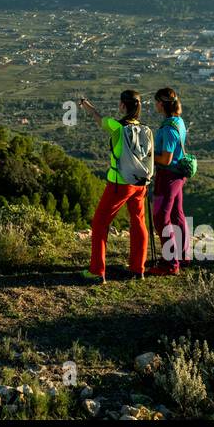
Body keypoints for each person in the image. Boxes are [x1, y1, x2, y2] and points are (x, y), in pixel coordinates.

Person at [78, 90, 153, 283]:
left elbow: (99, 118)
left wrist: (87, 105)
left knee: (100, 223)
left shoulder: (117, 128)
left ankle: (97, 272)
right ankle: (138, 269)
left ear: (122, 106)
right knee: (138, 223)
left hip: (120, 184)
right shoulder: (146, 129)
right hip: (140, 183)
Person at [150, 86, 189, 275]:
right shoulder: (178, 122)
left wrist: (147, 156)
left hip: (167, 176)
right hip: (178, 175)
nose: (154, 105)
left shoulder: (168, 129)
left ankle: (170, 263)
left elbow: (165, 158)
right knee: (176, 214)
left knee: (160, 217)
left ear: (162, 104)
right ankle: (182, 255)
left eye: (156, 101)